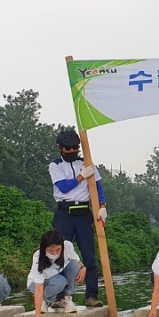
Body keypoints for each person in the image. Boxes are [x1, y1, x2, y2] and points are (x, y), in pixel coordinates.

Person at [48, 129, 106, 307]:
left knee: (89, 256)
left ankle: (91, 296)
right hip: (65, 213)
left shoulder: (86, 163)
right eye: (68, 148)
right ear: (60, 148)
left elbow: (97, 186)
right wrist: (82, 176)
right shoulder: (55, 165)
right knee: (59, 255)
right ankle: (59, 297)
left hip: (83, 213)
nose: (72, 151)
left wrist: (102, 205)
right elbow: (64, 187)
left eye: (75, 148)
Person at [28, 230, 86, 317]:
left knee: (74, 266)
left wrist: (83, 268)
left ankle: (66, 299)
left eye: (58, 249)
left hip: (58, 279)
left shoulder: (67, 246)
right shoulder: (38, 256)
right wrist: (38, 315)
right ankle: (46, 300)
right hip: (38, 285)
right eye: (51, 250)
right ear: (44, 248)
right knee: (60, 281)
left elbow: (76, 260)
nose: (55, 253)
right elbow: (38, 288)